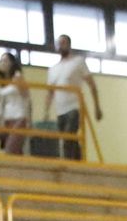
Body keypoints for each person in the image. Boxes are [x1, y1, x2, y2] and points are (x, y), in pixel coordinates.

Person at [43, 33, 101, 161]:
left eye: (63, 43)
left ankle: (68, 165)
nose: (61, 45)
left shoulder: (78, 62)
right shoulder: (53, 69)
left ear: (69, 45)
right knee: (71, 140)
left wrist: (97, 107)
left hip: (74, 108)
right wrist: (46, 111)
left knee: (68, 139)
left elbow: (92, 84)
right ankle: (79, 162)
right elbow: (50, 92)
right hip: (60, 111)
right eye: (59, 43)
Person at [0, 52, 31, 157]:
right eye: (1, 61)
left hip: (19, 118)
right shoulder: (2, 83)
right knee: (16, 152)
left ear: (12, 63)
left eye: (5, 61)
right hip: (6, 120)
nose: (2, 63)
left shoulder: (18, 76)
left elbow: (26, 96)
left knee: (10, 151)